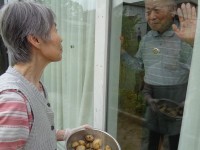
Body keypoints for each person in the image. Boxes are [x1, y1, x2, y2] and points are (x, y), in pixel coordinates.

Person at [0, 1, 92, 149]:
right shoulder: (14, 100)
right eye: (55, 29)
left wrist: (67, 134)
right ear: (35, 40)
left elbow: (34, 133)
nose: (61, 38)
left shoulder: (33, 85)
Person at [120, 0, 196, 149]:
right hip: (152, 103)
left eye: (156, 10)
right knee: (149, 144)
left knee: (174, 145)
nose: (151, 17)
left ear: (173, 10)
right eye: (148, 12)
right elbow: (138, 66)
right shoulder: (147, 39)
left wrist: (194, 43)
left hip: (177, 107)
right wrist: (122, 51)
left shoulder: (185, 37)